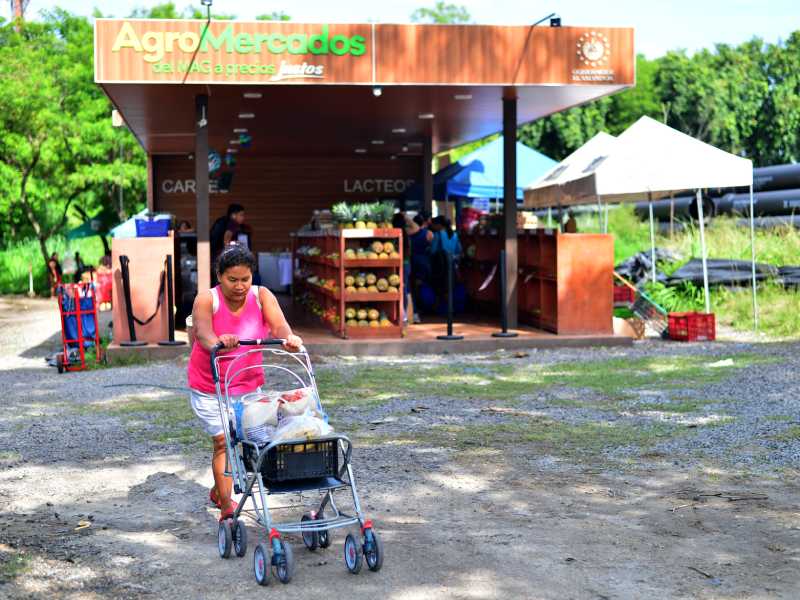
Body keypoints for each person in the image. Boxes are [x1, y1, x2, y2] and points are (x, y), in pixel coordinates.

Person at [187, 245, 303, 521]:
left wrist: (289, 338)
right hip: (210, 386)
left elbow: (279, 325)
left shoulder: (262, 296)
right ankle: (227, 505)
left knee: (250, 441)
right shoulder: (207, 299)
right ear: (219, 276)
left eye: (245, 279)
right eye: (232, 279)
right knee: (223, 442)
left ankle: (219, 488)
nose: (239, 286)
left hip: (248, 384)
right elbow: (202, 331)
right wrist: (217, 342)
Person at [429, 216, 462, 304]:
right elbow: (458, 251)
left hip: (440, 266)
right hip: (451, 265)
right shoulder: (455, 235)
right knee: (449, 288)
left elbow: (432, 251)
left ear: (439, 225)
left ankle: (440, 309)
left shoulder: (437, 235)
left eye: (435, 225)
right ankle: (449, 310)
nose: (433, 227)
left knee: (439, 288)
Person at [407, 213, 433, 324]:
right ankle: (419, 310)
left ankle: (414, 312)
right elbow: (431, 247)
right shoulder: (429, 233)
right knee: (420, 287)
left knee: (411, 288)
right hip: (423, 262)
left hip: (412, 261)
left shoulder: (409, 233)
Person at [391, 212, 412, 322]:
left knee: (399, 289)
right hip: (406, 264)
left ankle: (401, 315)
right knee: (404, 289)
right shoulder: (407, 234)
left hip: (399, 265)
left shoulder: (394, 235)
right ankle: (403, 315)